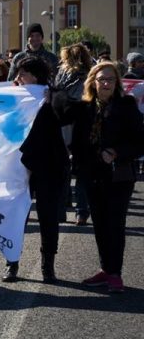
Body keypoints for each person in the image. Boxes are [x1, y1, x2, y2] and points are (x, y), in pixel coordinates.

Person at [55, 62, 144, 293]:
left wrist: (116, 152)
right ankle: (106, 269)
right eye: (101, 79)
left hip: (119, 176)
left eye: (110, 79)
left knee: (115, 224)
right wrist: (43, 91)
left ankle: (115, 274)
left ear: (117, 83)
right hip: (92, 174)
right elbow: (60, 112)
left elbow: (139, 142)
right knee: (101, 224)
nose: (106, 83)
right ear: (93, 82)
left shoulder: (126, 105)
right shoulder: (84, 107)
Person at [2, 57, 68, 284]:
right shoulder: (14, 96)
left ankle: (48, 265)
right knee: (16, 216)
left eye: (23, 74)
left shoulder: (54, 95)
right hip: (20, 165)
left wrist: (53, 100)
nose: (18, 78)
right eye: (18, 73)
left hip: (49, 164)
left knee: (48, 216)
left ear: (36, 76)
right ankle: (12, 262)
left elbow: (66, 116)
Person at [55, 43, 94, 226]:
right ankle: (81, 212)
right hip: (83, 123)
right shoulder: (90, 74)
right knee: (82, 170)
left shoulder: (62, 73)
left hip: (63, 121)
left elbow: (56, 95)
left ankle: (62, 209)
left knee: (62, 168)